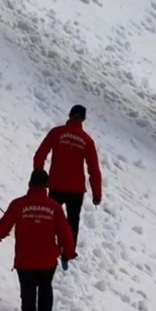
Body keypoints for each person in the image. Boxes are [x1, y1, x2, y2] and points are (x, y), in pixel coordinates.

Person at [0, 169, 76, 311]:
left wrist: (2, 234)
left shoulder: (18, 205)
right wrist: (67, 252)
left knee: (28, 294)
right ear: (46, 186)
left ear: (29, 184)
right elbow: (65, 233)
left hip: (25, 262)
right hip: (47, 261)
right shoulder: (54, 207)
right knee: (45, 288)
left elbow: (2, 229)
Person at [33, 104, 102, 249]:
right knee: (72, 222)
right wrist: (97, 194)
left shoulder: (57, 133)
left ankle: (45, 244)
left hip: (56, 184)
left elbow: (40, 154)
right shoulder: (87, 141)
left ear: (69, 115)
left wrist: (39, 174)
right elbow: (94, 169)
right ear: (83, 119)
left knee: (50, 217)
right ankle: (68, 251)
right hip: (76, 190)